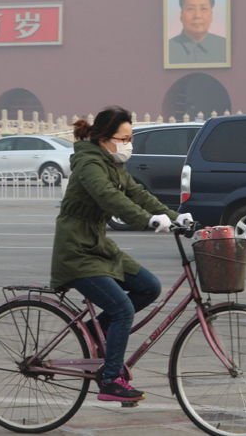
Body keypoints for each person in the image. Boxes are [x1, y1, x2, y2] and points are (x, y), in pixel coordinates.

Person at [50, 106, 193, 403]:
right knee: (122, 309)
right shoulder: (89, 164)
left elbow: (138, 194)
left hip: (97, 247)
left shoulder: (113, 163)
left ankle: (94, 330)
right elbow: (109, 197)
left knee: (149, 287)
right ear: (103, 137)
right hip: (76, 251)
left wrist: (175, 216)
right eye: (124, 138)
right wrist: (147, 221)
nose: (129, 144)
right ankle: (111, 379)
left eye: (130, 138)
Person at [168, 0, 227, 65]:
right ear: (181, 15)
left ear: (211, 15)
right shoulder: (167, 49)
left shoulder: (225, 46)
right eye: (191, 9)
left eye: (203, 8)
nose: (197, 16)